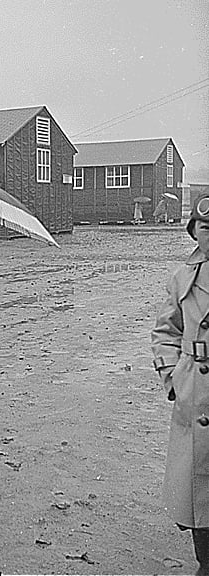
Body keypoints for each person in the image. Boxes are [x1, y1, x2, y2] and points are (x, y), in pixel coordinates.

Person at [151, 192, 209, 576]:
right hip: (195, 390)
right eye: (206, 227)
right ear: (194, 231)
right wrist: (171, 374)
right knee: (196, 487)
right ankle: (205, 562)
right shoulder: (183, 277)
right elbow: (164, 330)